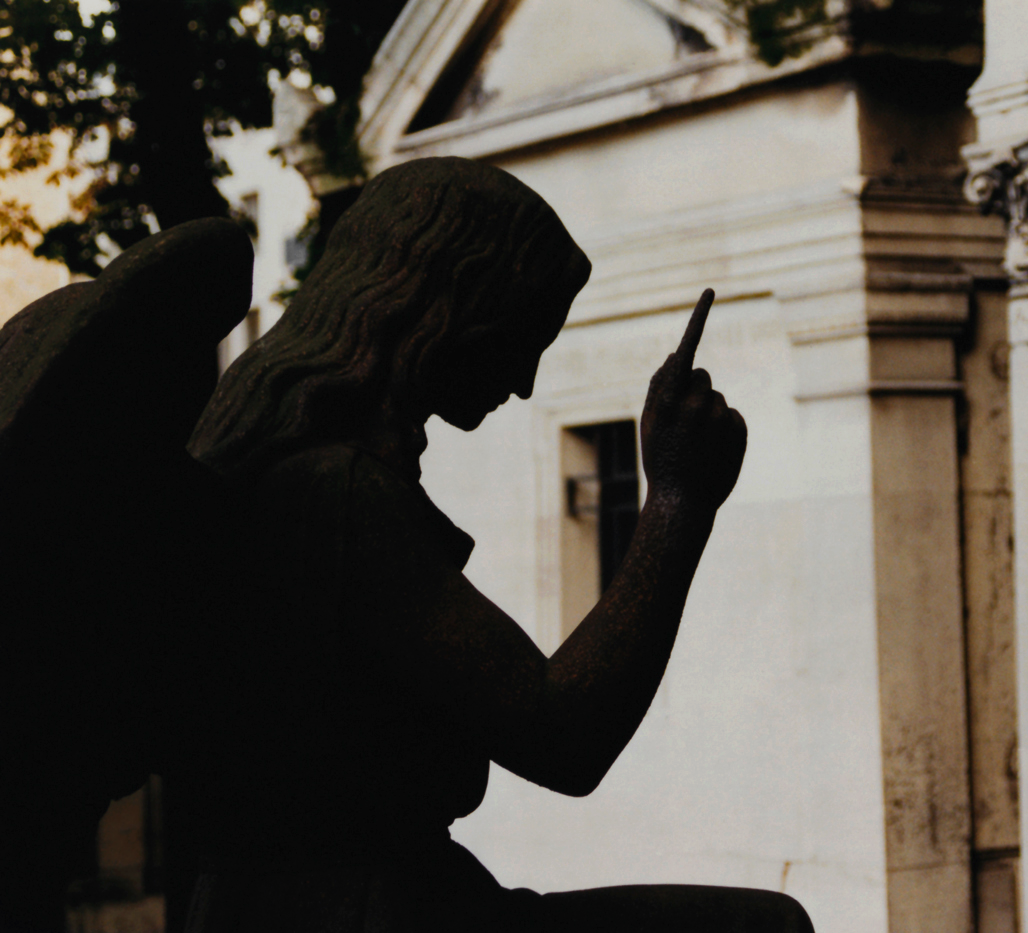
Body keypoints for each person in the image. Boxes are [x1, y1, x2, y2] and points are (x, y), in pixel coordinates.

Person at [183, 157, 813, 932]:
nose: (523, 382)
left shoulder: (287, 469)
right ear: (446, 309)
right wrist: (679, 501)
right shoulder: (332, 491)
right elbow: (564, 736)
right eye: (520, 340)